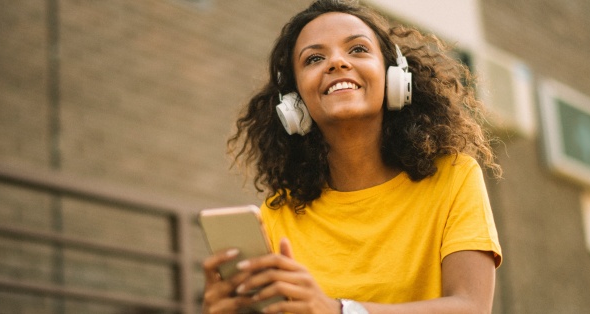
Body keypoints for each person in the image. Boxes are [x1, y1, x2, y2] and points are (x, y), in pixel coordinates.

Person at [203, 0, 503, 313]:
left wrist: (340, 310)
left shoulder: (454, 177)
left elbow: (471, 306)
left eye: (357, 49)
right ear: (293, 101)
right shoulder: (276, 217)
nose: (336, 63)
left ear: (396, 79)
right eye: (314, 58)